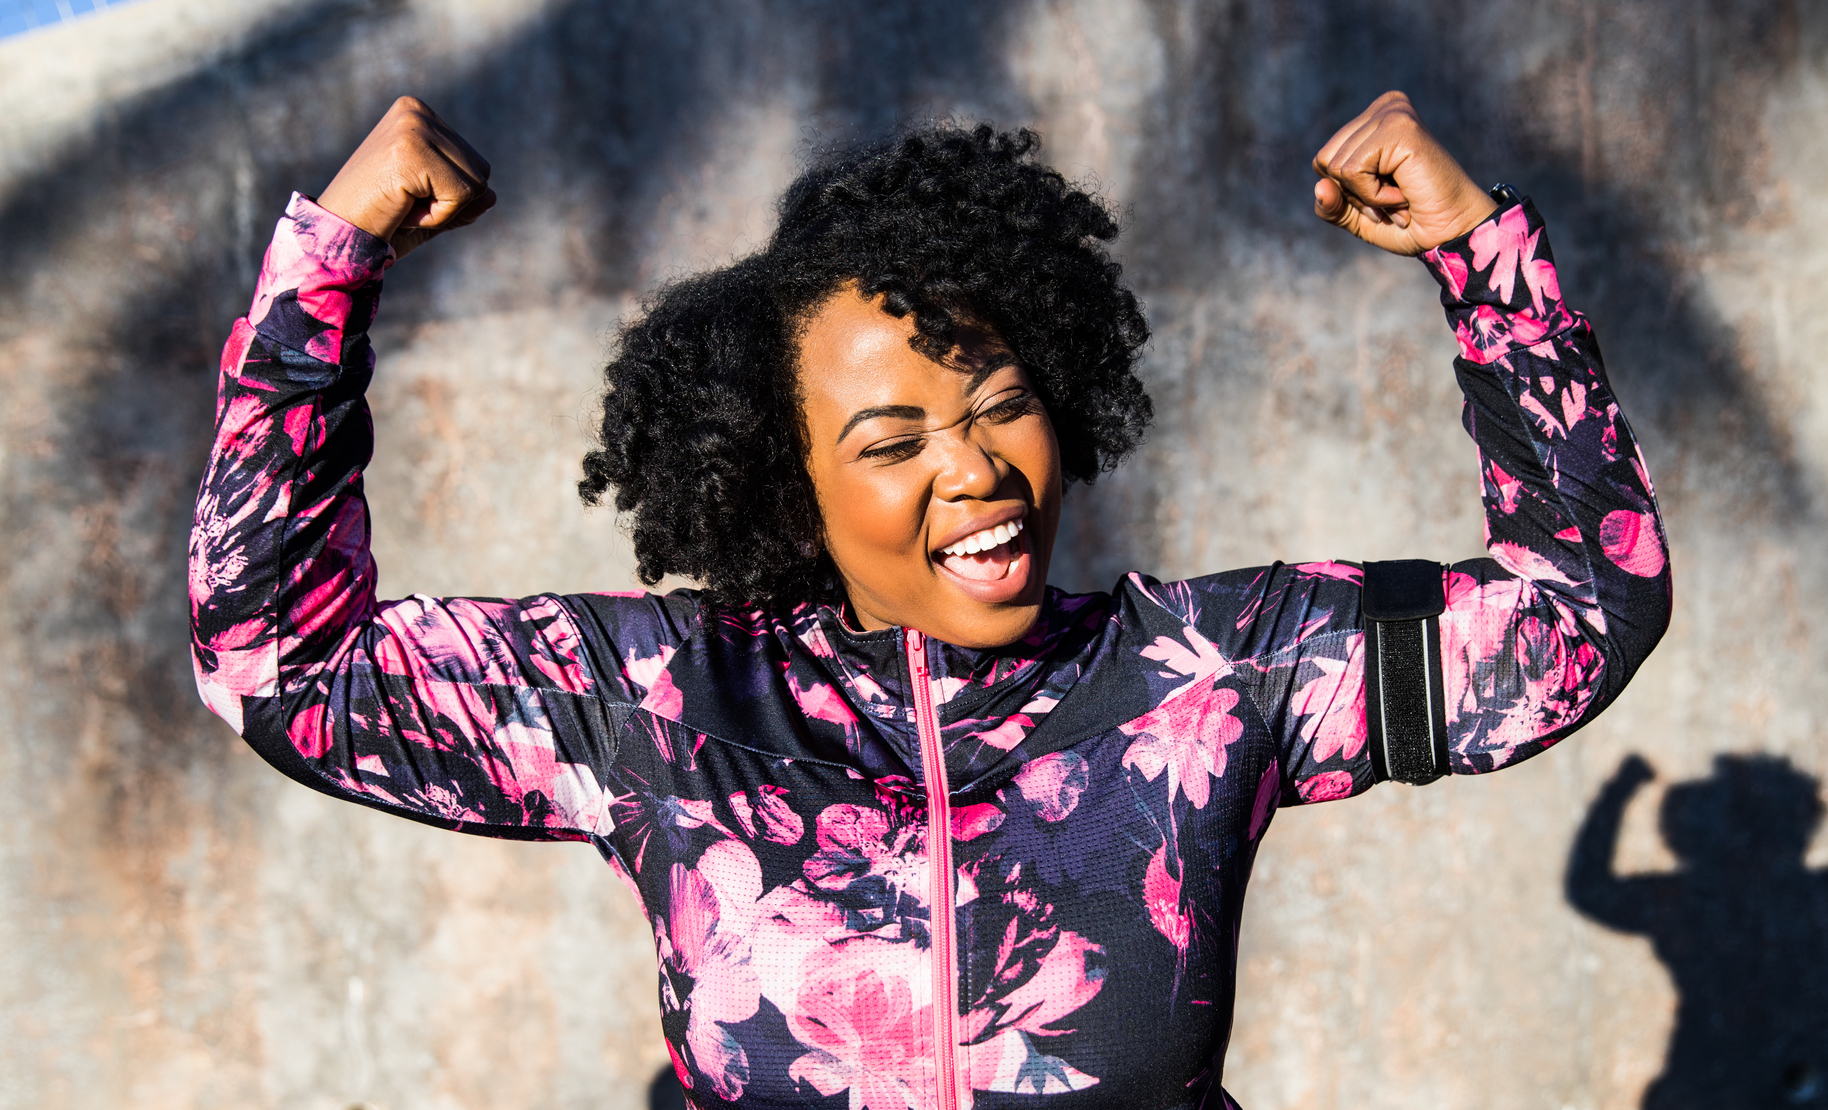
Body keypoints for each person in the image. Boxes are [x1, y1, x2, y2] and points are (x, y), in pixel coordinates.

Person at [189, 91, 1671, 1109]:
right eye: (890, 442)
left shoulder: (1209, 676)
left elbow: (1584, 604)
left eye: (1004, 404)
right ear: (790, 485)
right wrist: (329, 269)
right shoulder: (662, 702)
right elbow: (275, 656)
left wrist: (1486, 264)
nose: (976, 471)